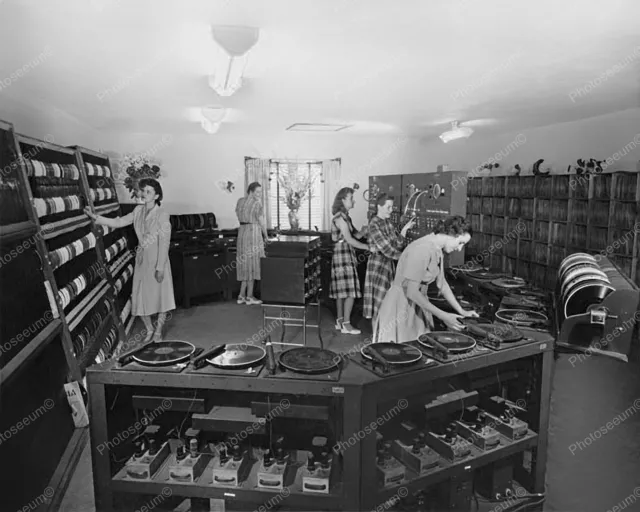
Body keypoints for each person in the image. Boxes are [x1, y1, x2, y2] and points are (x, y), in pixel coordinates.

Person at [84, 178, 175, 342]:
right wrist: (96, 218)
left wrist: (160, 267)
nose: (144, 194)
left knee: (162, 297)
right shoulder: (137, 211)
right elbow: (119, 222)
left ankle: (158, 331)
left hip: (158, 261)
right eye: (143, 191)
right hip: (141, 260)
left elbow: (164, 242)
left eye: (149, 192)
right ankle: (149, 329)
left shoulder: (162, 215)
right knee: (140, 296)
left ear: (157, 196)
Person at [372, 215, 478, 343]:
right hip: (400, 306)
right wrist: (443, 316)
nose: (460, 249)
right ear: (451, 233)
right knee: (402, 353)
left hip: (418, 305)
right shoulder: (422, 249)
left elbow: (442, 284)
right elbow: (411, 292)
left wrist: (462, 311)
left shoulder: (437, 248)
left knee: (421, 352)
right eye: (460, 243)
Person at [363, 193, 415, 322]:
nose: (391, 210)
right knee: (379, 305)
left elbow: (396, 244)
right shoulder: (374, 224)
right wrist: (407, 258)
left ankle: (383, 337)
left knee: (387, 305)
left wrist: (404, 230)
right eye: (388, 207)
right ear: (379, 206)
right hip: (377, 266)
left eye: (392, 207)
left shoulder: (387, 222)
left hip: (388, 265)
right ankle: (376, 338)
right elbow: (388, 250)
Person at [329, 187, 369, 334]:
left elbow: (354, 236)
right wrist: (368, 247)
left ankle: (340, 321)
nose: (353, 201)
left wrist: (364, 231)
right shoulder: (340, 218)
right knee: (350, 291)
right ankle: (347, 324)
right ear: (343, 200)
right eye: (351, 198)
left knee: (341, 291)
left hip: (343, 253)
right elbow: (350, 240)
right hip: (343, 255)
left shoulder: (345, 217)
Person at [235, 181, 268, 305]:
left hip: (242, 233)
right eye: (257, 192)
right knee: (253, 264)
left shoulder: (240, 201)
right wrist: (266, 236)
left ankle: (241, 295)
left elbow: (239, 216)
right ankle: (250, 297)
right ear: (251, 191)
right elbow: (262, 222)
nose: (259, 194)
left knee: (244, 264)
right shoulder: (257, 204)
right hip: (253, 233)